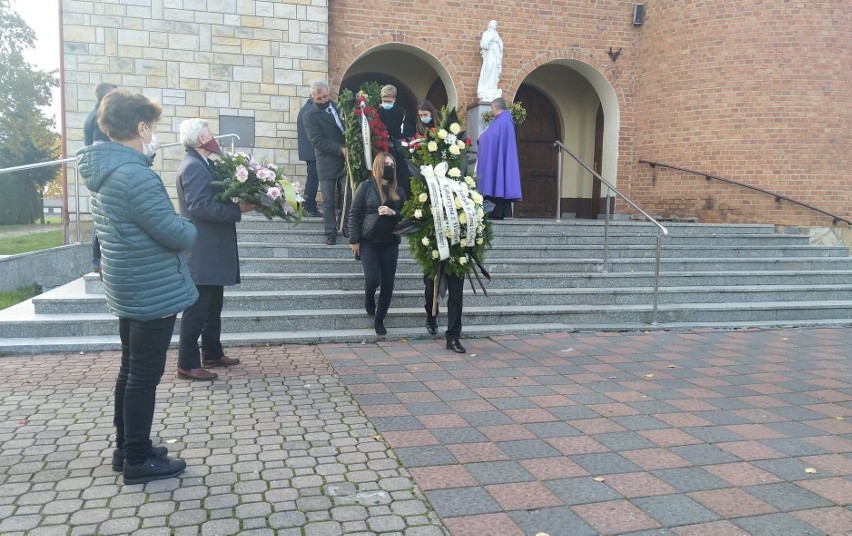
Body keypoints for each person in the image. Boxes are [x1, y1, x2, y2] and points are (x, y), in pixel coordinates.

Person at [76, 90, 197, 485]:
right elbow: (174, 232)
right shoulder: (135, 176)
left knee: (131, 371)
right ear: (141, 127)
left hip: (130, 285)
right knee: (143, 376)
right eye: (153, 127)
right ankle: (139, 460)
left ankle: (127, 447)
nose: (154, 134)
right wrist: (190, 226)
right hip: (151, 288)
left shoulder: (107, 170)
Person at [175, 118, 255, 381]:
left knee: (213, 306)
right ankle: (187, 363)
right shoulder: (193, 166)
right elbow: (200, 206)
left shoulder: (203, 163)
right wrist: (237, 209)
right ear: (200, 138)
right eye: (210, 133)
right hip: (203, 249)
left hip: (212, 248)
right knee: (197, 309)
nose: (214, 137)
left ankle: (211, 352)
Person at [348, 152, 405, 336]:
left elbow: (407, 216)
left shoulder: (399, 191)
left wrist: (393, 213)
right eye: (386, 164)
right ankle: (369, 296)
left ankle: (380, 319)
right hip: (369, 242)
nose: (389, 167)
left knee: (388, 283)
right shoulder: (365, 187)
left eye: (392, 165)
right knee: (373, 279)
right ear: (378, 166)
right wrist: (354, 240)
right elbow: (354, 213)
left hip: (390, 244)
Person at [302, 80, 348, 245]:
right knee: (328, 199)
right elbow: (317, 140)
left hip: (345, 161)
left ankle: (346, 226)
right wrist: (340, 149)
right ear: (312, 97)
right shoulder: (309, 115)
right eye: (319, 98)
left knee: (347, 194)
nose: (323, 100)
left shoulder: (339, 107)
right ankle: (330, 232)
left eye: (325, 97)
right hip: (326, 161)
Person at [84, 82, 118, 273]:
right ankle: (97, 260)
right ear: (106, 97)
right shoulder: (99, 118)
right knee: (103, 216)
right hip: (101, 174)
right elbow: (100, 150)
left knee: (101, 215)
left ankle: (96, 260)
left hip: (97, 173)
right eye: (115, 95)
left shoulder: (96, 114)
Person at [476, 97, 522, 219]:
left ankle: (496, 212)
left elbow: (490, 137)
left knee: (496, 178)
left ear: (496, 107)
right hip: (501, 158)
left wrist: (481, 138)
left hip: (497, 159)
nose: (491, 111)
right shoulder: (505, 121)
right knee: (500, 179)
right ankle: (502, 212)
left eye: (491, 108)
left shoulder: (501, 122)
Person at [376, 84, 409, 195]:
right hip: (380, 146)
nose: (387, 104)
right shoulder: (377, 111)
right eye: (384, 101)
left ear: (394, 100)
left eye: (389, 101)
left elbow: (392, 127)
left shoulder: (399, 112)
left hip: (394, 145)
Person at [296, 97, 323, 217]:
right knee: (313, 179)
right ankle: (309, 206)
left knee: (312, 178)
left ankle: (309, 204)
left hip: (310, 151)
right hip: (313, 151)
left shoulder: (306, 108)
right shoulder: (311, 110)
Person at [477, 20, 503, 101]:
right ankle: (486, 87)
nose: (494, 26)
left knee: (494, 71)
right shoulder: (486, 33)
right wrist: (490, 40)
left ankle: (492, 87)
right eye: (493, 24)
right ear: (490, 25)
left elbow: (501, 45)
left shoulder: (496, 34)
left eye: (495, 24)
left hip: (495, 55)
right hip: (489, 54)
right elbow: (483, 44)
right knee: (488, 69)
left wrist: (498, 41)